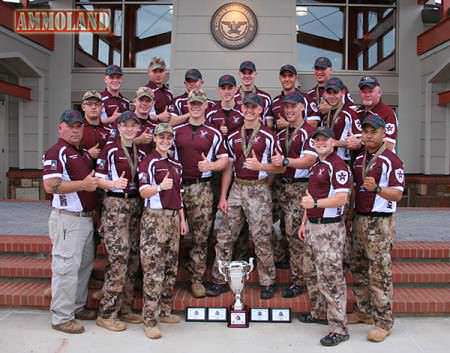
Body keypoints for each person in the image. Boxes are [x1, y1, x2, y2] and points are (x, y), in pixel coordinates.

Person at [206, 93, 279, 300]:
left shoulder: (268, 135)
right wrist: (223, 197)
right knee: (225, 236)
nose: (248, 110)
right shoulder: (233, 136)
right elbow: (228, 167)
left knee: (261, 237)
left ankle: (267, 281)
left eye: (253, 107)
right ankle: (219, 279)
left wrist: (262, 173)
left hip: (258, 189)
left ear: (260, 110)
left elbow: (279, 167)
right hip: (237, 188)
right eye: (246, 107)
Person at [42, 109, 99, 334]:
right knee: (65, 268)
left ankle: (76, 306)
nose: (75, 130)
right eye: (71, 126)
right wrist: (82, 185)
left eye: (79, 126)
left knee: (83, 266)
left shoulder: (82, 152)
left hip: (85, 219)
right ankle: (61, 317)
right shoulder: (56, 152)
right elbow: (50, 186)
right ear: (60, 128)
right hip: (67, 219)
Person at [349, 114, 405, 342]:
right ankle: (364, 311)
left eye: (373, 131)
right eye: (365, 131)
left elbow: (398, 194)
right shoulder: (359, 158)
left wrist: (378, 189)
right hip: (359, 219)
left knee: (379, 272)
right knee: (359, 267)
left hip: (380, 222)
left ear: (383, 133)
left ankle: (384, 322)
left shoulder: (392, 160)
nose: (368, 135)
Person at [172, 89, 229, 298]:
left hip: (202, 188)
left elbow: (225, 160)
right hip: (176, 188)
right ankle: (170, 278)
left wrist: (211, 165)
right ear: (187, 106)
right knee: (172, 234)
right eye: (192, 104)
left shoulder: (213, 133)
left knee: (200, 236)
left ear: (206, 106)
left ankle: (196, 279)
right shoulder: (177, 131)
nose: (195, 107)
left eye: (199, 104)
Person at [297, 127, 351, 347]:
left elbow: (341, 199)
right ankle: (319, 312)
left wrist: (316, 205)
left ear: (333, 142)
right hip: (312, 226)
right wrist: (304, 222)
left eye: (324, 140)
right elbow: (310, 197)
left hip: (329, 230)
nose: (320, 143)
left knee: (331, 279)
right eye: (317, 140)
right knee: (311, 272)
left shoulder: (338, 166)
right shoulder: (317, 165)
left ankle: (339, 328)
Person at [94, 111, 147, 332]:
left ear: (138, 129)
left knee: (133, 258)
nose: (129, 129)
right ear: (118, 127)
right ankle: (107, 313)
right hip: (116, 205)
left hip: (135, 205)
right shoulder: (110, 149)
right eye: (124, 125)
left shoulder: (140, 151)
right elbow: (97, 178)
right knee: (119, 258)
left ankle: (125, 308)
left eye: (133, 125)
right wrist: (112, 183)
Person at [138, 123, 188, 339]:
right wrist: (159, 187)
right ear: (155, 139)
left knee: (170, 266)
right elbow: (142, 191)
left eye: (169, 137)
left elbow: (179, 195)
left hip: (173, 218)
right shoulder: (148, 162)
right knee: (153, 269)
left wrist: (182, 219)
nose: (165, 141)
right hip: (154, 219)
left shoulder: (176, 164)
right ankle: (150, 319)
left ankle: (165, 310)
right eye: (162, 137)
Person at [271, 92, 317, 298]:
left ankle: (299, 280)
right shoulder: (282, 133)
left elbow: (308, 161)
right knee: (269, 225)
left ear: (302, 107)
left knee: (296, 234)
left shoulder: (309, 131)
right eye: (286, 107)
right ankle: (287, 266)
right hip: (281, 185)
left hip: (300, 187)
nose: (289, 110)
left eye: (293, 106)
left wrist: (286, 162)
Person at [304, 57, 354, 128]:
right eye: (317, 69)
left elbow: (352, 111)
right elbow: (309, 121)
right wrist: (320, 112)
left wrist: (332, 108)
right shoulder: (310, 94)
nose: (319, 72)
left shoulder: (341, 89)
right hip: (318, 134)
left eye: (323, 69)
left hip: (337, 131)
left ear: (330, 70)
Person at [355, 76, 398, 151]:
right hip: (358, 160)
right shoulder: (357, 112)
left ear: (379, 93)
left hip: (380, 160)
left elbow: (389, 145)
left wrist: (361, 142)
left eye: (370, 91)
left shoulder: (387, 112)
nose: (367, 95)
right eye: (364, 92)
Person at [271, 64, 320, 130]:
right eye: (284, 76)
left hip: (301, 139)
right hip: (281, 139)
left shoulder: (307, 99)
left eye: (290, 76)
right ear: (280, 78)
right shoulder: (275, 102)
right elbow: (271, 125)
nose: (287, 79)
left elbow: (313, 124)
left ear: (296, 77)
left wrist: (288, 124)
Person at [234, 60, 273, 128]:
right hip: (237, 136)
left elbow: (269, 124)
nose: (247, 76)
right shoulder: (233, 96)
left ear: (255, 74)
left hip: (259, 136)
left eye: (250, 73)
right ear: (239, 74)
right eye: (244, 73)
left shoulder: (265, 97)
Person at [80, 90, 111, 159]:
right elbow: (69, 153)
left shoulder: (108, 130)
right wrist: (87, 154)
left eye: (97, 104)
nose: (93, 107)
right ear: (83, 107)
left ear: (102, 107)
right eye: (89, 104)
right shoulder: (77, 129)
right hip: (82, 168)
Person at [145, 57, 173, 124]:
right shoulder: (145, 91)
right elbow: (138, 115)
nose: (158, 75)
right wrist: (158, 117)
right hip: (150, 130)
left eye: (161, 71)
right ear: (149, 73)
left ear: (165, 73)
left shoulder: (169, 93)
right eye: (154, 71)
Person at [133, 86, 158, 154]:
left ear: (153, 103)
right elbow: (111, 145)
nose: (144, 103)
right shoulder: (124, 121)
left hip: (148, 163)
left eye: (148, 101)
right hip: (128, 163)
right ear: (135, 101)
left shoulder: (156, 126)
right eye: (141, 100)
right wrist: (138, 140)